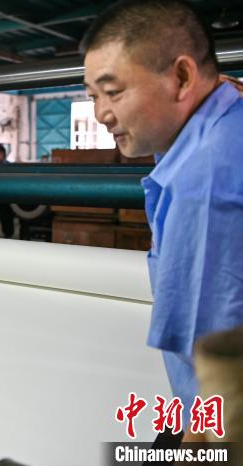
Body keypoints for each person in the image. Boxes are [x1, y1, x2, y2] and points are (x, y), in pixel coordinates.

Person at [82, 0, 243, 443]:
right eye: (93, 96)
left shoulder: (202, 185)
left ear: (183, 77)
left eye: (114, 92)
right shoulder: (224, 117)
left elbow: (223, 380)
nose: (101, 115)